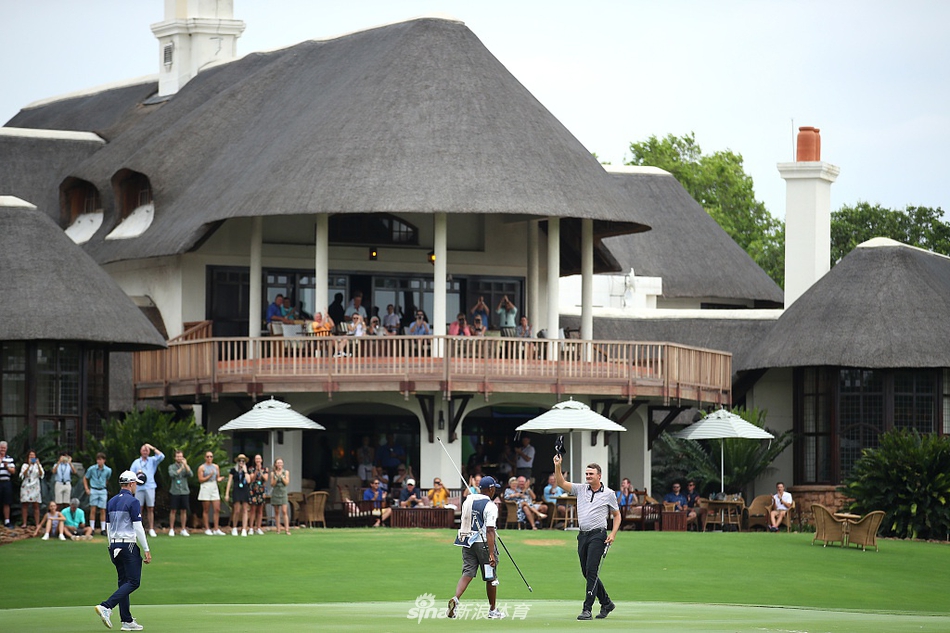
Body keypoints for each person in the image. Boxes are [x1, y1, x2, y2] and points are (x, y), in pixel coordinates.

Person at [554, 454, 620, 621]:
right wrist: (558, 465)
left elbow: (617, 515)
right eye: (587, 474)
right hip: (582, 535)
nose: (588, 476)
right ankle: (606, 603)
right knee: (586, 571)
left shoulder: (609, 494)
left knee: (591, 571)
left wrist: (613, 534)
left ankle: (587, 609)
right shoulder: (580, 489)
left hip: (599, 535)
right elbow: (561, 483)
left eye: (591, 474)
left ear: (599, 475)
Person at [94, 470, 151, 631]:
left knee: (124, 583)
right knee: (133, 582)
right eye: (135, 485)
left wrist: (110, 545)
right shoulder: (133, 501)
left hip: (113, 546)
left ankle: (126, 620)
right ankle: (107, 606)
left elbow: (107, 527)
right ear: (132, 484)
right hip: (128, 546)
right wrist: (146, 549)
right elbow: (138, 527)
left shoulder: (111, 501)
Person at [447, 475, 505, 620]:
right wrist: (491, 553)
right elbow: (490, 530)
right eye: (494, 489)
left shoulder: (469, 500)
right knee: (490, 576)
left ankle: (456, 598)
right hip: (483, 544)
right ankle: (492, 610)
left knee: (468, 572)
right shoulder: (491, 505)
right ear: (491, 489)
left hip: (466, 542)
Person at [130, 444, 164, 538]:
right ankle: (138, 529)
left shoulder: (153, 460)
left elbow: (162, 456)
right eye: (143, 450)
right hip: (139, 487)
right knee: (139, 508)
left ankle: (151, 528)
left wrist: (152, 447)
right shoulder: (136, 462)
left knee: (150, 508)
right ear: (141, 451)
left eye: (147, 450)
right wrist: (137, 474)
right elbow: (131, 473)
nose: (145, 452)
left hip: (150, 486)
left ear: (149, 452)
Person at [84, 452, 112, 536]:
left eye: (101, 459)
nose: (99, 461)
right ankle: (92, 528)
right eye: (98, 459)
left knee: (103, 509)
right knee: (93, 509)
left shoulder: (108, 470)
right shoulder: (92, 469)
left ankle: (103, 529)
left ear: (104, 460)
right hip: (94, 489)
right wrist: (87, 489)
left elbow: (107, 479)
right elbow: (85, 478)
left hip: (102, 490)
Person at [197, 451, 225, 536]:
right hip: (205, 486)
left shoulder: (216, 466)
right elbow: (200, 479)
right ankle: (207, 528)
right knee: (206, 509)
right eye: (208, 457)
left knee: (217, 509)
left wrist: (219, 479)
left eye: (211, 457)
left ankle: (216, 528)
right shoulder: (202, 467)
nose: (209, 458)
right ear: (205, 457)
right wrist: (209, 476)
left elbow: (217, 477)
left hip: (214, 486)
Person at [167, 450, 192, 537]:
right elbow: (172, 474)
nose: (179, 458)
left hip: (184, 491)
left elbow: (190, 474)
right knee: (173, 510)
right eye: (178, 456)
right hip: (175, 491)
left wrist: (185, 465)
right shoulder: (171, 467)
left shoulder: (186, 466)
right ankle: (171, 528)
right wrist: (181, 468)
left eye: (181, 456)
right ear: (175, 457)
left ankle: (183, 529)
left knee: (183, 510)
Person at [225, 454, 251, 536]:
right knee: (236, 510)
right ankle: (234, 527)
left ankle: (244, 528)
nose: (241, 462)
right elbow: (229, 482)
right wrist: (227, 493)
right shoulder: (233, 470)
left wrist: (245, 471)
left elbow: (249, 481)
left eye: (243, 461)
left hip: (244, 490)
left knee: (245, 509)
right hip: (236, 489)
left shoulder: (246, 470)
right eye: (240, 460)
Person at [18, 449, 43, 530]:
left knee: (36, 505)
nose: (32, 457)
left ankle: (37, 524)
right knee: (25, 504)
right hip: (26, 486)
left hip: (35, 486)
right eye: (30, 455)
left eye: (33, 455)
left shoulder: (38, 465)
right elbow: (23, 475)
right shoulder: (24, 465)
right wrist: (29, 465)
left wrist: (38, 465)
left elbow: (41, 474)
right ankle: (24, 523)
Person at [247, 454, 268, 535]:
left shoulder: (265, 469)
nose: (258, 460)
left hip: (261, 490)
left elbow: (265, 479)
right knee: (253, 509)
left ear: (261, 460)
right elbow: (251, 479)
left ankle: (258, 527)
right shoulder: (251, 469)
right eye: (256, 459)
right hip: (253, 490)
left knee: (260, 510)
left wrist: (261, 472)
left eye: (259, 459)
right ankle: (251, 528)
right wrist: (256, 471)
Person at [271, 458, 291, 535]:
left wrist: (281, 477)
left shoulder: (286, 472)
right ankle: (278, 529)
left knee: (284, 511)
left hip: (283, 493)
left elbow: (286, 483)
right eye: (278, 463)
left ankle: (287, 529)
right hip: (275, 492)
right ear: (275, 464)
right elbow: (272, 484)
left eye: (281, 463)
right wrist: (276, 478)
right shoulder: (273, 473)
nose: (279, 464)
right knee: (276, 511)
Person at [0, 440, 14, 528]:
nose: (2, 450)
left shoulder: (9, 459)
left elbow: (13, 471)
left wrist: (7, 466)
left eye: (4, 448)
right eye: (1, 448)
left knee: (6, 502)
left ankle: (7, 521)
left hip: (6, 482)